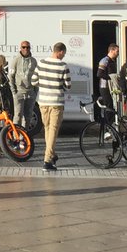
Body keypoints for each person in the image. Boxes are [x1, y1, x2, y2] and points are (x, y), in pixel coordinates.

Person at [36, 42, 70, 171]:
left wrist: (45, 85)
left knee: (48, 129)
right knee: (53, 130)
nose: (64, 56)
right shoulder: (63, 65)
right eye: (64, 53)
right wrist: (58, 85)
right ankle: (47, 161)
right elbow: (68, 86)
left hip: (43, 102)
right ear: (60, 52)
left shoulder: (41, 63)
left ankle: (52, 155)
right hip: (56, 102)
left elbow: (33, 81)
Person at [10, 40, 38, 128]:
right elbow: (11, 76)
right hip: (19, 92)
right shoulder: (16, 60)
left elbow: (37, 76)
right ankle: (16, 135)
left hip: (30, 92)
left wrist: (35, 92)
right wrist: (14, 92)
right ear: (20, 48)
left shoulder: (33, 61)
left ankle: (24, 135)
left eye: (28, 47)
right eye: (24, 47)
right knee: (18, 116)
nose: (26, 49)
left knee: (28, 116)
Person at [95, 43, 120, 112]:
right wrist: (111, 77)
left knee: (113, 105)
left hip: (111, 86)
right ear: (111, 51)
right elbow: (99, 74)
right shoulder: (105, 60)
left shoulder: (113, 61)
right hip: (105, 87)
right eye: (117, 51)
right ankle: (107, 119)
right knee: (109, 106)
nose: (118, 53)